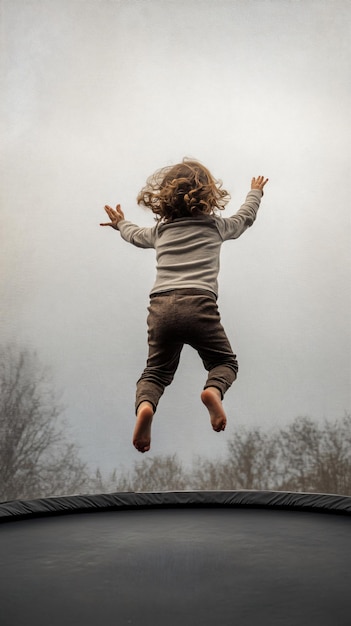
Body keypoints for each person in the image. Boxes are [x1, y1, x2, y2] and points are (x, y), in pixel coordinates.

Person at [101, 159, 268, 453]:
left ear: (164, 199)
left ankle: (145, 409)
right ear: (209, 196)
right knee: (224, 363)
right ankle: (212, 392)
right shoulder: (217, 226)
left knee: (156, 372)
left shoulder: (161, 232)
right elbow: (245, 218)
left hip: (161, 306)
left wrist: (120, 224)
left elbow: (134, 235)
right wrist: (255, 193)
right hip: (199, 303)